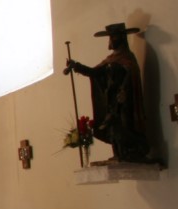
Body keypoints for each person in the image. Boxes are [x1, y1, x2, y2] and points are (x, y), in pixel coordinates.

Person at [64, 22, 153, 163]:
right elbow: (95, 72)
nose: (111, 41)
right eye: (111, 38)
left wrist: (125, 92)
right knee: (112, 127)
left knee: (126, 124)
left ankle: (134, 151)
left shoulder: (128, 58)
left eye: (115, 37)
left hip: (125, 100)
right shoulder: (110, 59)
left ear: (122, 38)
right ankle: (118, 153)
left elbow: (132, 77)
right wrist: (77, 66)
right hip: (112, 100)